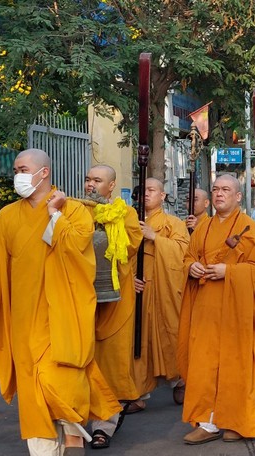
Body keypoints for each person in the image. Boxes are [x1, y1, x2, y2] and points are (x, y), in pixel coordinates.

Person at [0, 149, 121, 455]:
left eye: (22, 169)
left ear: (43, 173)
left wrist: (55, 215)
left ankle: (74, 444)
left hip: (63, 318)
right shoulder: (8, 215)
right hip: (23, 321)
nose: (16, 175)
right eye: (16, 169)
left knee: (65, 389)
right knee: (34, 398)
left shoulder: (75, 210)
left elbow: (77, 250)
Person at [178, 174, 255, 444]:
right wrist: (191, 267)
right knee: (204, 366)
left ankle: (238, 420)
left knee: (236, 366)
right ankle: (208, 422)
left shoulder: (250, 228)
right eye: (215, 189)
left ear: (238, 197)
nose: (219, 193)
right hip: (206, 309)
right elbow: (189, 255)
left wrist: (229, 271)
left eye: (226, 189)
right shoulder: (203, 227)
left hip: (237, 312)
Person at [83, 165, 143, 450]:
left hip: (114, 300)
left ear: (111, 186)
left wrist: (107, 218)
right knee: (78, 359)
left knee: (110, 364)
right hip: (80, 299)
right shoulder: (78, 209)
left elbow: (130, 246)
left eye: (97, 180)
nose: (90, 184)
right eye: (88, 179)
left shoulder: (125, 214)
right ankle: (74, 420)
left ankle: (103, 425)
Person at [130, 178, 191, 412]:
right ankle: (137, 392)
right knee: (139, 337)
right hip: (139, 286)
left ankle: (180, 379)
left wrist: (155, 238)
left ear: (163, 196)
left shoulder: (173, 223)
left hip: (165, 286)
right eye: (143, 190)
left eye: (152, 190)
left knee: (170, 332)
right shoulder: (129, 220)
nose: (146, 194)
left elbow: (184, 252)